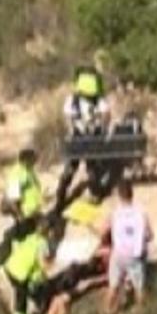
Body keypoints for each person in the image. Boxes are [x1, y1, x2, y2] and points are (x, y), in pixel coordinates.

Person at [56, 66, 112, 211]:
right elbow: (68, 118)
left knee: (92, 168)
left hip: (91, 137)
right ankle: (61, 197)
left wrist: (102, 128)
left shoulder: (98, 100)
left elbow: (106, 114)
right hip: (78, 137)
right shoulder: (73, 100)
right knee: (70, 169)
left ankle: (94, 194)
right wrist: (71, 130)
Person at [0, 147, 43, 278]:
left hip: (32, 214)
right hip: (24, 215)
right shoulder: (18, 174)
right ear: (26, 160)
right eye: (34, 159)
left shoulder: (28, 172)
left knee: (27, 241)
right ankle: (7, 267)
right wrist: (19, 216)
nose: (36, 161)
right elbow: (13, 198)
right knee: (19, 241)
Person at [101, 180, 152, 314]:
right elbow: (149, 235)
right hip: (134, 256)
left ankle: (107, 310)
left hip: (118, 254)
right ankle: (142, 313)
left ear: (119, 195)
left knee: (113, 285)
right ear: (132, 194)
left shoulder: (115, 213)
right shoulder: (141, 213)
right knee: (139, 286)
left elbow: (103, 230)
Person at [3, 214, 51, 314]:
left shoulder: (30, 238)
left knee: (23, 298)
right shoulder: (42, 243)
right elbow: (43, 265)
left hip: (10, 269)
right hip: (20, 275)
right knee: (22, 303)